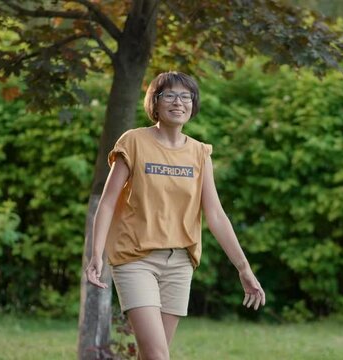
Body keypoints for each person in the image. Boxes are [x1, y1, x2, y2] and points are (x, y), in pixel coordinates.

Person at [85, 71, 265, 360]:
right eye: (169, 95)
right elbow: (107, 202)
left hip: (179, 263)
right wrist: (96, 255)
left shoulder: (199, 153)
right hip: (135, 259)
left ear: (193, 105)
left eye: (186, 96)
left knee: (152, 355)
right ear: (154, 103)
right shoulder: (133, 142)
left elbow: (216, 215)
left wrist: (243, 268)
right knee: (158, 356)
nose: (178, 102)